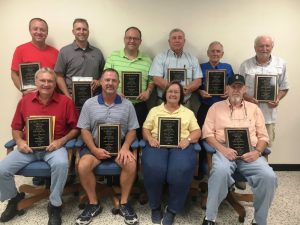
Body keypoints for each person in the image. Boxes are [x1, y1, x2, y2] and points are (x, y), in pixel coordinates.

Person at [0, 68, 79, 225]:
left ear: (55, 83)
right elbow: (16, 127)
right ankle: (14, 198)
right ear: (36, 82)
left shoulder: (66, 102)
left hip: (54, 148)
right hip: (28, 148)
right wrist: (20, 142)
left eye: (50, 81)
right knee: (2, 169)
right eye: (42, 80)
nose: (46, 84)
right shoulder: (25, 101)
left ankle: (55, 204)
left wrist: (61, 141)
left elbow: (76, 129)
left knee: (62, 164)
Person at [201, 74, 277, 225]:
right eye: (233, 86)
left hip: (250, 153)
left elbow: (263, 137)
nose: (236, 89)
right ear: (227, 89)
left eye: (239, 87)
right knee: (220, 171)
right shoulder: (215, 108)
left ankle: (259, 221)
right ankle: (210, 218)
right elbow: (208, 134)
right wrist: (223, 150)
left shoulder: (254, 109)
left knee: (269, 176)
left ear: (245, 89)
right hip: (224, 151)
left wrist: (257, 152)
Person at [76, 68, 139, 225]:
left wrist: (125, 147)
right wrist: (93, 149)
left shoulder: (128, 105)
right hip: (95, 147)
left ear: (118, 83)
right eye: (107, 80)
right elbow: (84, 130)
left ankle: (124, 203)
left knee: (131, 164)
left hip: (119, 148)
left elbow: (132, 130)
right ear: (101, 82)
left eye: (113, 80)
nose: (110, 83)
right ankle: (93, 204)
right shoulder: (89, 104)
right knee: (83, 165)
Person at [142, 81, 201, 225]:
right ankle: (155, 207)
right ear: (165, 94)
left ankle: (172, 209)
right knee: (154, 169)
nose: (173, 94)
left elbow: (197, 131)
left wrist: (188, 139)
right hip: (157, 144)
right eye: (170, 91)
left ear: (181, 96)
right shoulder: (155, 110)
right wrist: (149, 138)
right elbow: (145, 129)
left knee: (179, 170)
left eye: (176, 92)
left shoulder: (188, 112)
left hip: (181, 145)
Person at [104, 26, 154, 140]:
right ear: (124, 39)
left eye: (135, 38)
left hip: (139, 106)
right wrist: (115, 92)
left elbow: (151, 81)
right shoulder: (113, 57)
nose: (132, 41)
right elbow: (105, 79)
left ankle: (135, 157)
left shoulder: (147, 59)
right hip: (116, 105)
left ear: (140, 41)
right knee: (116, 137)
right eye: (129, 38)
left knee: (138, 137)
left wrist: (148, 92)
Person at [239, 35, 289, 147]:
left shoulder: (281, 64)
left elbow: (284, 87)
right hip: (248, 114)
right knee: (247, 145)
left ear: (272, 47)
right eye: (261, 46)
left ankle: (264, 165)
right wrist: (248, 98)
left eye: (267, 46)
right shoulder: (245, 65)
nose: (264, 49)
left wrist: (277, 98)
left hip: (268, 115)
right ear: (255, 47)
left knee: (265, 147)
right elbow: (239, 88)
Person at [149, 28, 202, 110]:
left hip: (185, 103)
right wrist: (176, 91)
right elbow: (156, 79)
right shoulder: (160, 57)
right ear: (169, 41)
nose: (177, 40)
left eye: (180, 38)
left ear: (184, 41)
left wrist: (184, 90)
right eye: (174, 38)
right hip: (163, 103)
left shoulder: (192, 59)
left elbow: (198, 81)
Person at [55, 18, 105, 97]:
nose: (81, 32)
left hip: (94, 98)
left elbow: (104, 74)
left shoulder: (97, 52)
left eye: (84, 29)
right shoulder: (64, 51)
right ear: (73, 32)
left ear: (88, 32)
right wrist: (68, 97)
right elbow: (59, 76)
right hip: (72, 97)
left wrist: (99, 81)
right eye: (78, 29)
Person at [11, 18, 59, 95]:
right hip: (30, 98)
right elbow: (14, 74)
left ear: (47, 33)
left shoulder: (56, 52)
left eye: (42, 30)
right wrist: (22, 90)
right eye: (35, 29)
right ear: (30, 31)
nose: (39, 32)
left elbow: (59, 76)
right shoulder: (20, 50)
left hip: (52, 98)